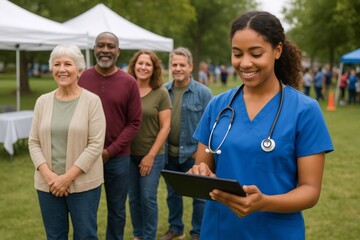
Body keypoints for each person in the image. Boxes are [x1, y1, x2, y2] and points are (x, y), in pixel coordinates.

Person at [188, 11, 333, 240]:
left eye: (255, 53)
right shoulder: (218, 106)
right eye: (237, 54)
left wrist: (264, 202)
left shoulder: (305, 110)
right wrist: (200, 172)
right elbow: (202, 167)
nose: (245, 63)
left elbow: (310, 191)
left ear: (277, 51)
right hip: (219, 230)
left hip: (276, 232)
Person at [28, 44, 106, 239]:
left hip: (84, 185)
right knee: (54, 236)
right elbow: (34, 142)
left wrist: (66, 178)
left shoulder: (92, 101)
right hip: (48, 185)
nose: (62, 69)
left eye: (68, 64)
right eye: (57, 64)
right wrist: (50, 177)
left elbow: (96, 144)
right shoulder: (42, 102)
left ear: (79, 70)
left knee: (85, 235)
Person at [78, 32, 142, 240]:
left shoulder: (129, 82)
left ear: (118, 51)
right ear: (94, 49)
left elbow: (134, 123)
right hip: (85, 157)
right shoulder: (83, 78)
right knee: (85, 210)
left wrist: (109, 152)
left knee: (117, 211)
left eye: (110, 46)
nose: (105, 50)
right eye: (101, 45)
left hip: (118, 158)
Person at [161, 47, 213, 240]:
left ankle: (198, 232)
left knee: (200, 197)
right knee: (172, 195)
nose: (178, 68)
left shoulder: (204, 93)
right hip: (169, 154)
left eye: (182, 65)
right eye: (174, 64)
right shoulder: (163, 91)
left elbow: (212, 127)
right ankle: (176, 228)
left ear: (190, 67)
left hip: (194, 154)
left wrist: (201, 153)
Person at [127, 50, 172, 240]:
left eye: (148, 64)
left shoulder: (160, 93)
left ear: (154, 69)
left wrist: (150, 156)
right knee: (134, 198)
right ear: (134, 66)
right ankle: (138, 235)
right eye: (140, 63)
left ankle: (148, 236)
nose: (143, 67)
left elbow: (166, 127)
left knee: (148, 198)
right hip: (127, 155)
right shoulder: (127, 89)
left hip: (153, 154)